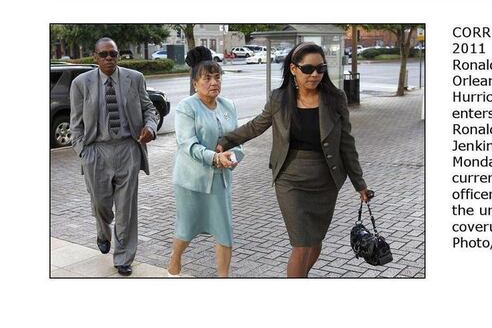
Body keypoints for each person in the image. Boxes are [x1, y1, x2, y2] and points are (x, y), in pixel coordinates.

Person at [217, 41, 372, 278]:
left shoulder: (335, 98)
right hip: (290, 179)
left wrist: (359, 183)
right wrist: (225, 141)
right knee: (301, 244)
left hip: (326, 181)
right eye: (307, 69)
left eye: (320, 69)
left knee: (315, 242)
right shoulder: (280, 99)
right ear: (293, 69)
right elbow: (256, 126)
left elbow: (346, 144)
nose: (315, 75)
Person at [69, 37, 158, 276]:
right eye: (104, 54)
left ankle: (123, 257)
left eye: (114, 54)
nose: (109, 58)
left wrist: (150, 127)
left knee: (127, 208)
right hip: (96, 151)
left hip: (128, 148)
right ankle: (102, 231)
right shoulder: (81, 84)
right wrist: (82, 151)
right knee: (101, 204)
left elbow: (149, 108)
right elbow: (75, 123)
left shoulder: (134, 78)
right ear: (95, 57)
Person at [168, 48, 243, 277]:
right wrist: (214, 157)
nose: (214, 82)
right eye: (207, 77)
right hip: (191, 181)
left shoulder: (228, 105)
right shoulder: (186, 107)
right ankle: (175, 257)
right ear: (195, 82)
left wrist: (234, 157)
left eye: (217, 77)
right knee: (187, 228)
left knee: (224, 232)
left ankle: (223, 278)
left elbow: (236, 141)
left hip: (220, 182)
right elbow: (187, 144)